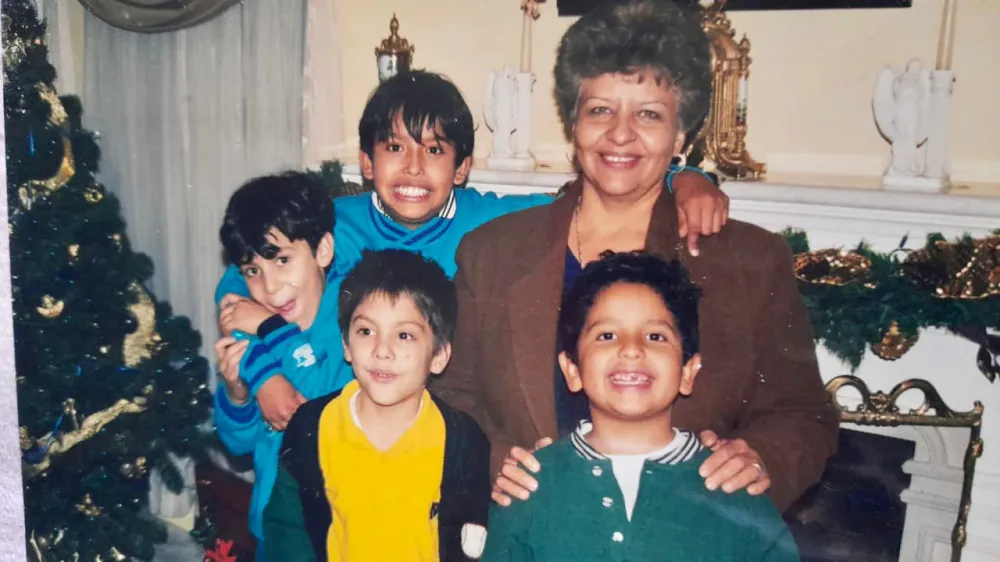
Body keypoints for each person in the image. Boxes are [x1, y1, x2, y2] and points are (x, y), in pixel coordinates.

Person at [433, 0, 838, 513]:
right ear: (573, 125)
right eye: (600, 109)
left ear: (681, 137)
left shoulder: (750, 261)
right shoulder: (492, 252)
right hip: (533, 530)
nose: (620, 134)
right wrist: (495, 465)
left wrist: (760, 460)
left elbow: (803, 413)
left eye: (649, 114)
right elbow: (452, 397)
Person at [214, 71, 729, 438]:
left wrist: (683, 178)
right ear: (367, 162)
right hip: (331, 414)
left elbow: (595, 187)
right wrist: (265, 374)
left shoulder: (491, 221)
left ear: (461, 168)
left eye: (435, 151)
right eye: (395, 148)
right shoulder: (332, 224)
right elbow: (245, 282)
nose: (414, 168)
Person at [481, 251, 799, 561]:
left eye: (655, 336)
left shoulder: (734, 486)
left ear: (688, 372)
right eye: (606, 335)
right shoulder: (528, 486)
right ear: (572, 370)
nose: (631, 349)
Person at [264, 249, 491, 561]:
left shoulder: (463, 440)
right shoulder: (312, 426)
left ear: (439, 356)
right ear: (346, 344)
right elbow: (288, 531)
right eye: (366, 331)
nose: (382, 350)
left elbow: (473, 539)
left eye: (405, 335)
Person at [212, 172, 339, 557]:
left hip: (332, 530)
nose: (269, 287)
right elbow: (237, 442)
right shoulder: (252, 333)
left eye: (282, 260)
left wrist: (271, 328)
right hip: (270, 524)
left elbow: (311, 406)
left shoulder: (348, 325)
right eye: (253, 271)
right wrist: (236, 396)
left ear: (322, 251)